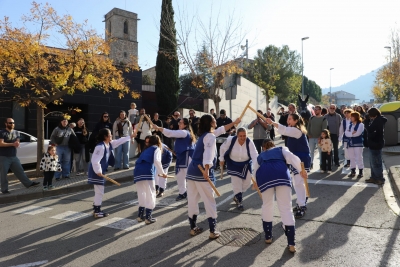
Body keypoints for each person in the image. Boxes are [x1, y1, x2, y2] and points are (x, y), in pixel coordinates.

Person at [254, 139, 306, 253]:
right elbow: (293, 158)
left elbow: (255, 169)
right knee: (286, 208)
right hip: (281, 175)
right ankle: (291, 243)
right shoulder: (281, 149)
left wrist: (256, 183)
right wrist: (301, 170)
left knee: (267, 205)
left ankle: (268, 236)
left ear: (263, 147)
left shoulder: (261, 155)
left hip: (265, 176)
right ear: (274, 144)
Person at [265, 113, 310, 219]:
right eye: (288, 119)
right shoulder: (293, 130)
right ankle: (301, 203)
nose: (288, 121)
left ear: (295, 121)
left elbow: (284, 130)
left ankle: (302, 205)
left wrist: (272, 122)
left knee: (299, 183)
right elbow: (283, 130)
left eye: (290, 119)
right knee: (297, 182)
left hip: (302, 160)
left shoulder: (296, 130)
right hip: (295, 159)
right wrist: (272, 124)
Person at [89, 128, 137, 218]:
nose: (111, 136)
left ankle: (96, 209)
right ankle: (97, 211)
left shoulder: (109, 144)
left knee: (98, 191)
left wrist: (130, 136)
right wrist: (98, 171)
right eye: (110, 134)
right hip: (96, 171)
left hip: (99, 171)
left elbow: (119, 141)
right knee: (99, 192)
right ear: (105, 136)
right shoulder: (100, 147)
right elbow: (95, 161)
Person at [186, 114, 220, 239]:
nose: (216, 121)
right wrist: (206, 169)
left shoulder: (203, 136)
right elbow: (209, 154)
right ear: (211, 123)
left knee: (192, 199)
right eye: (214, 119)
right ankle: (213, 230)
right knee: (209, 200)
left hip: (192, 171)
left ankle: (193, 227)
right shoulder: (210, 136)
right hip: (202, 171)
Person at [154, 118, 196, 201]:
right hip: (181, 157)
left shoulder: (184, 132)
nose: (179, 124)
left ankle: (193, 193)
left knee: (189, 177)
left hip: (187, 157)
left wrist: (159, 128)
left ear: (185, 125)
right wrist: (176, 152)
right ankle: (182, 193)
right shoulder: (182, 133)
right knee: (180, 176)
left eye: (181, 123)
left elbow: (170, 133)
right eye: (179, 122)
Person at [219, 127, 258, 211]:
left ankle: (237, 195)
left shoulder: (249, 141)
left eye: (244, 136)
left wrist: (257, 168)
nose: (243, 138)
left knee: (248, 182)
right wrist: (221, 159)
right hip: (233, 164)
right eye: (241, 136)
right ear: (237, 135)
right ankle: (239, 200)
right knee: (236, 183)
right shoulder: (231, 139)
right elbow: (222, 148)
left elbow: (254, 155)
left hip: (246, 164)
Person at [133, 135, 168, 224]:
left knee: (141, 193)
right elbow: (157, 161)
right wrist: (162, 172)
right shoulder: (156, 148)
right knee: (151, 193)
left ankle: (140, 215)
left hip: (137, 171)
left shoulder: (146, 149)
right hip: (147, 171)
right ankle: (148, 217)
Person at [0, 118, 40, 193]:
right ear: (6, 124)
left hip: (13, 156)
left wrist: (17, 143)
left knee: (20, 171)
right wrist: (12, 144)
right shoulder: (2, 132)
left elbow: (17, 141)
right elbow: (1, 143)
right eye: (10, 123)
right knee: (3, 174)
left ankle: (28, 183)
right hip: (3, 156)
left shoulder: (16, 132)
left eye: (13, 123)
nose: (12, 124)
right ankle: (4, 189)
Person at [364, 108, 387, 185]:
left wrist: (366, 122)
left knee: (376, 162)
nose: (369, 116)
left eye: (370, 115)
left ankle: (379, 178)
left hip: (376, 144)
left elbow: (370, 129)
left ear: (373, 114)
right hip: (373, 143)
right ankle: (374, 177)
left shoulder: (378, 120)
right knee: (372, 162)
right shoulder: (377, 119)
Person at [306, 105, 328, 170]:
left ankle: (321, 164)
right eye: (315, 109)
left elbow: (324, 129)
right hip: (311, 137)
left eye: (317, 109)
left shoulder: (324, 119)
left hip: (319, 138)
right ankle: (311, 163)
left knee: (320, 151)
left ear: (320, 110)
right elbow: (308, 127)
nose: (315, 111)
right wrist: (308, 134)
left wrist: (320, 137)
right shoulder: (311, 118)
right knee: (311, 152)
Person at [345, 112, 364, 178]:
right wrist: (352, 133)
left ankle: (361, 171)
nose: (350, 118)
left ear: (356, 117)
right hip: (350, 143)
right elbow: (346, 133)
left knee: (359, 157)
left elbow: (358, 133)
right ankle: (353, 171)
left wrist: (350, 134)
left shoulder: (361, 124)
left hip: (358, 143)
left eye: (352, 117)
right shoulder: (350, 125)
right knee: (351, 157)